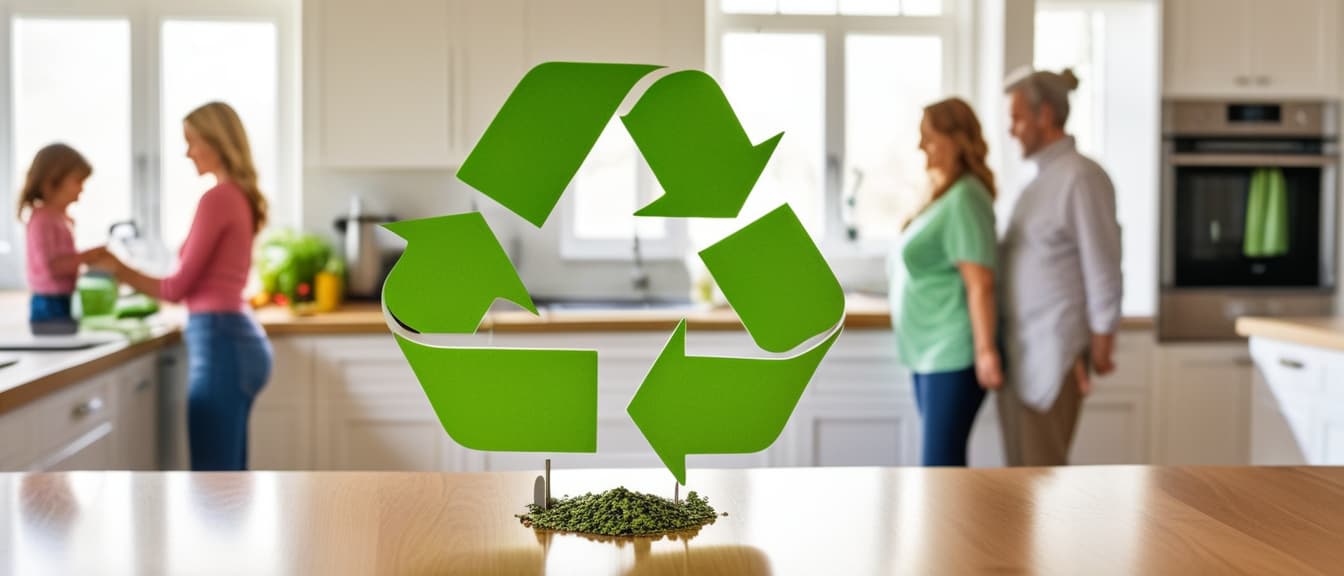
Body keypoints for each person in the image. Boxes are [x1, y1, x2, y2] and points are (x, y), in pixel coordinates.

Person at [92, 102, 273, 471]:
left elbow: (175, 288)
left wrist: (116, 267)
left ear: (217, 142)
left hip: (222, 343)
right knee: (229, 481)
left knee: (212, 482)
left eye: (192, 141)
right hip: (236, 340)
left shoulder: (218, 198)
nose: (187, 152)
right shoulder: (237, 195)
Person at [999, 68, 1123, 466]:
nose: (1011, 130)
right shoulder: (1039, 180)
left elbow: (1103, 265)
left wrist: (1100, 345)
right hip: (1022, 352)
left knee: (1042, 485)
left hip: (1055, 354)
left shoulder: (1081, 177)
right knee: (1017, 489)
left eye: (1017, 117)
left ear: (1045, 115)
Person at [889, 97, 1002, 467]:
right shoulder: (944, 195)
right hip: (928, 352)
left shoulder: (966, 197)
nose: (921, 146)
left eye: (930, 137)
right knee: (941, 472)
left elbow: (980, 282)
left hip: (952, 353)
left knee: (940, 470)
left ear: (957, 139)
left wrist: (986, 352)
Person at [18, 144, 105, 327]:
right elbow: (52, 267)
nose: (82, 189)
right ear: (52, 181)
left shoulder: (59, 219)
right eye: (78, 181)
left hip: (62, 298)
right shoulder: (43, 221)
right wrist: (85, 257)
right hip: (48, 303)